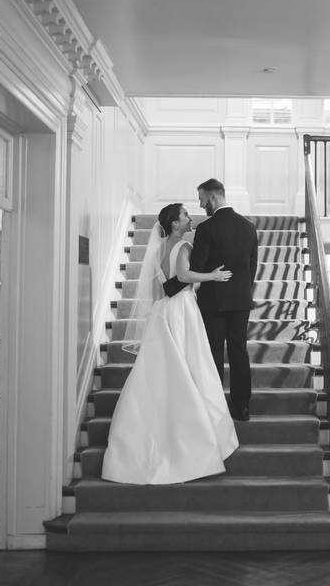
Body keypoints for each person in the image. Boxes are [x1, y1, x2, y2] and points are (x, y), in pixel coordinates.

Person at [101, 203, 238, 484]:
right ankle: (193, 435)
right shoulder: (183, 247)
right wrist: (213, 276)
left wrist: (158, 311)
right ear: (175, 224)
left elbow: (159, 287)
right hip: (182, 309)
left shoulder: (157, 248)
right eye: (185, 215)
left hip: (162, 310)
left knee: (161, 370)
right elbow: (184, 277)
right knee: (191, 364)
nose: (190, 218)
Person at [166, 179, 258, 421]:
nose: (200, 204)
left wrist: (169, 287)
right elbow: (252, 268)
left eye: (202, 199)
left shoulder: (207, 229)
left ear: (213, 198)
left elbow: (196, 267)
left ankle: (216, 409)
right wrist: (242, 292)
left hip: (213, 301)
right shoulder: (249, 227)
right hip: (240, 300)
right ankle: (242, 408)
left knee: (214, 353)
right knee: (239, 352)